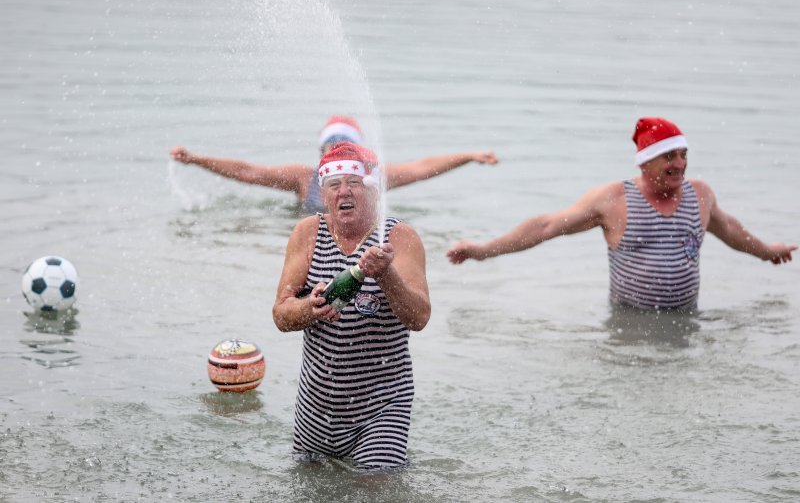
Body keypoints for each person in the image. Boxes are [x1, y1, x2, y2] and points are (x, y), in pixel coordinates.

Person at [447, 117, 796, 311]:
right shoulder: (614, 199)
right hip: (630, 325)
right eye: (669, 157)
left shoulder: (699, 194)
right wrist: (483, 250)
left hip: (686, 320)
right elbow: (546, 226)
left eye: (683, 155)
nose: (680, 165)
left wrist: (767, 251)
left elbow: (729, 229)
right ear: (646, 162)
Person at [272, 141, 430, 470]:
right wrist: (309, 309)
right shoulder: (307, 233)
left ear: (373, 190)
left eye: (354, 183)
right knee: (311, 489)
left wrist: (385, 274)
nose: (344, 192)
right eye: (334, 185)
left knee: (374, 489)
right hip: (316, 407)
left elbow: (419, 317)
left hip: (381, 407)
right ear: (323, 193)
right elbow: (281, 315)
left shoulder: (400, 238)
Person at [171, 115, 498, 213]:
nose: (338, 154)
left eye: (346, 147)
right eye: (331, 147)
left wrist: (468, 157)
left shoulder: (373, 177)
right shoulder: (303, 178)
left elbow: (421, 168)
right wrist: (197, 159)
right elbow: (249, 172)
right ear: (321, 151)